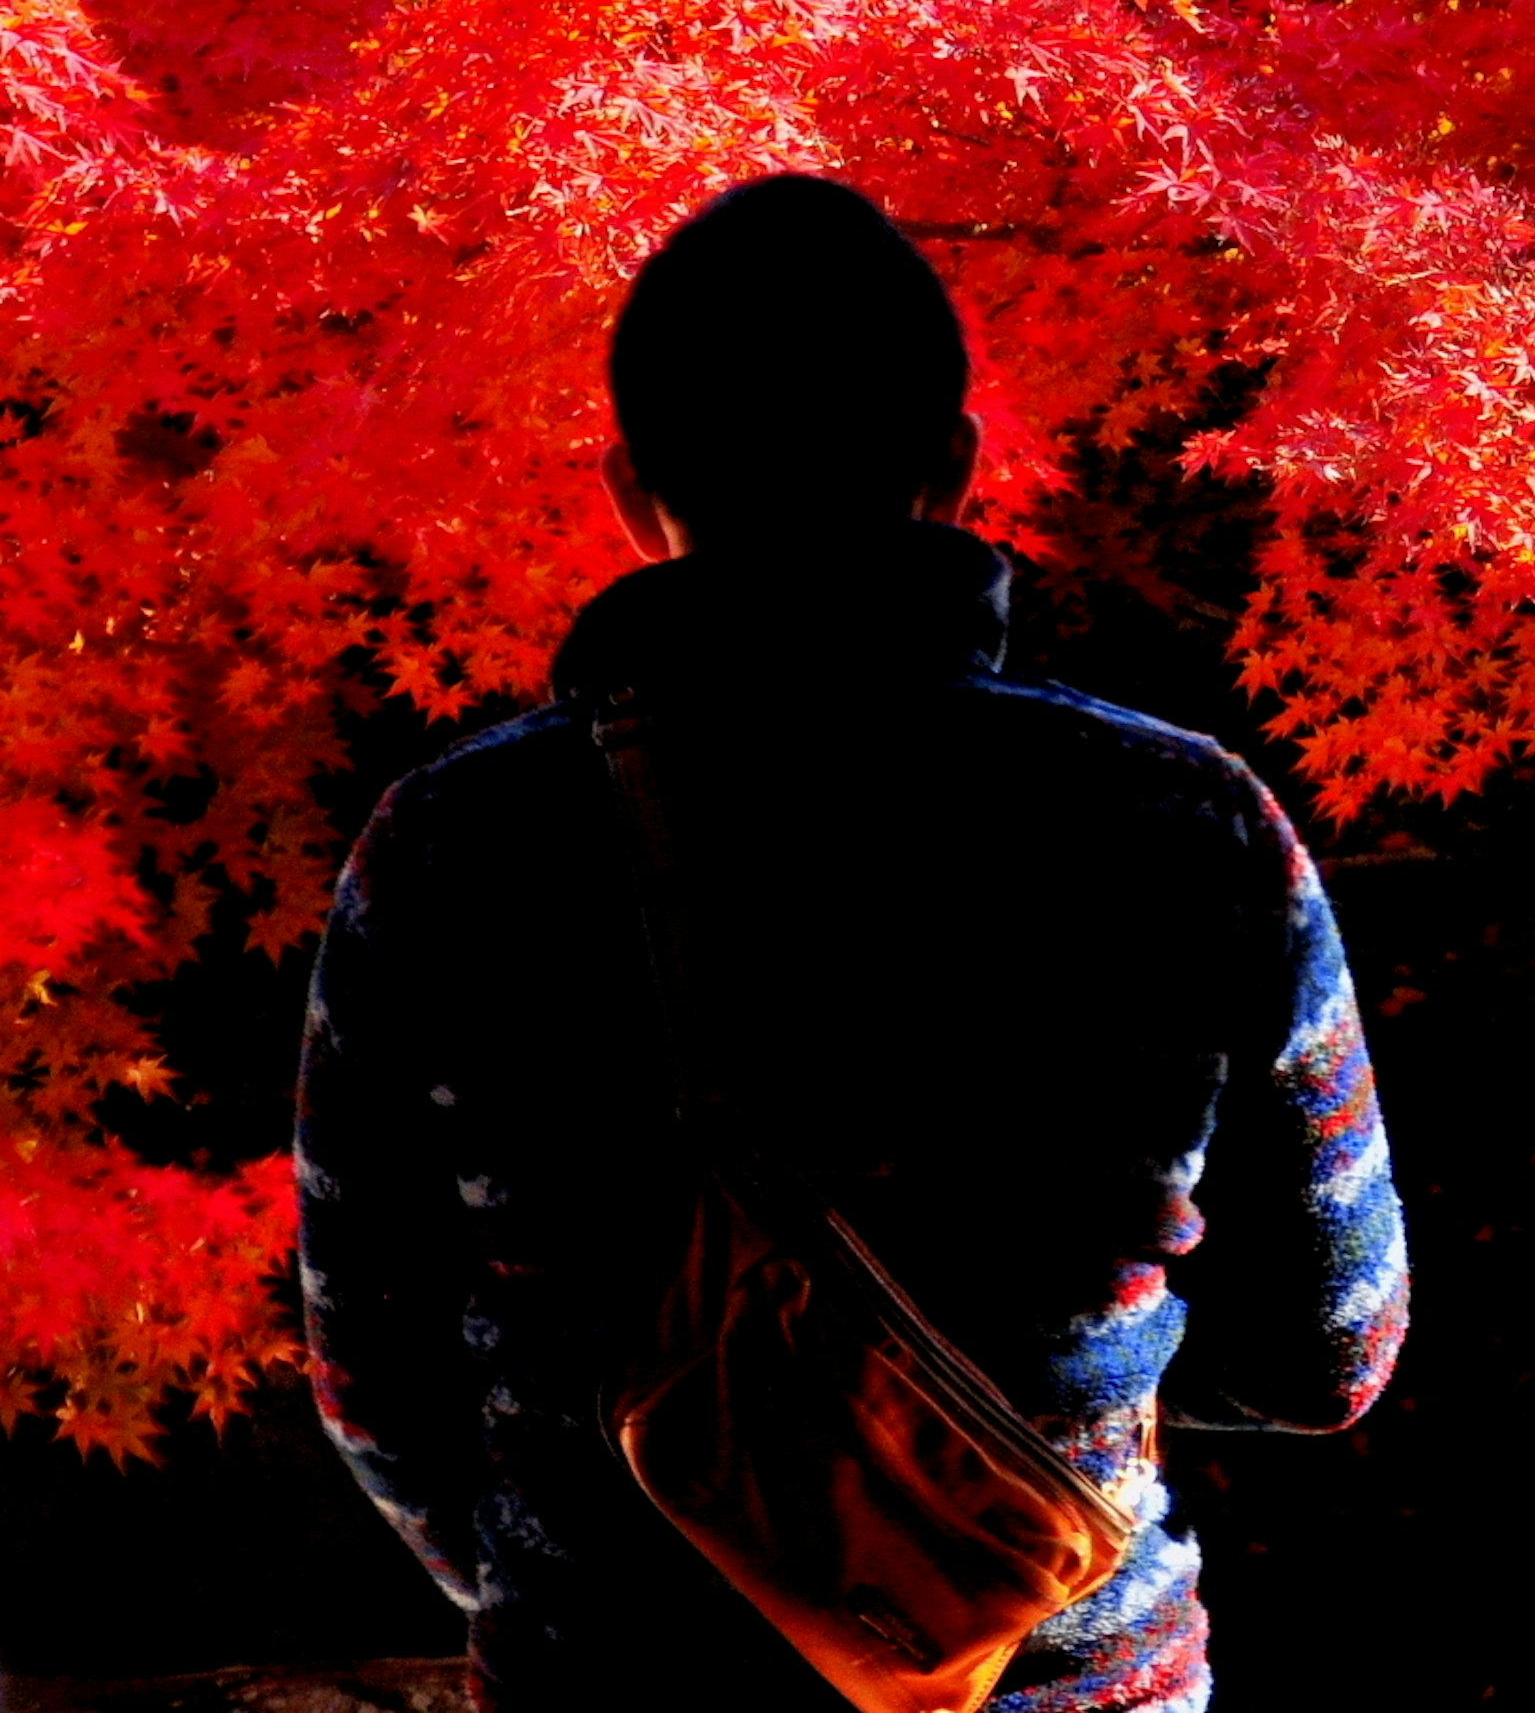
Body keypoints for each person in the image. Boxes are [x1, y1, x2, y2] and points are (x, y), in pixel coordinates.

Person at [295, 175, 1409, 1709]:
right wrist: (1030, 1400)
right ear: (952, 470)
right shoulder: (1181, 821)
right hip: (1064, 1674)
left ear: (632, 496)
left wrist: (588, 1563)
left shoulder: (450, 846)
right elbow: (1327, 1350)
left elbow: (371, 1362)